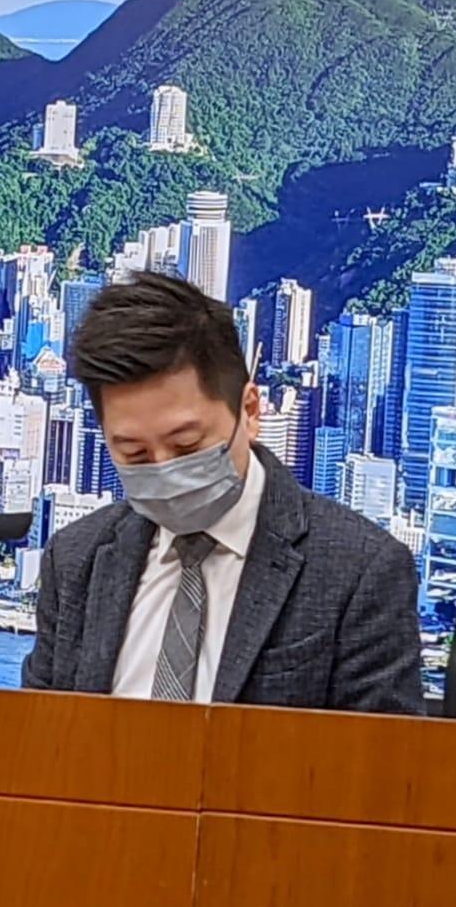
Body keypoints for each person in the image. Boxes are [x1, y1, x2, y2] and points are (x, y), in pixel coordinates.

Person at [21, 271, 423, 713]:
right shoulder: (76, 559)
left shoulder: (359, 570)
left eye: (187, 446)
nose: (165, 472)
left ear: (249, 412)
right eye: (134, 453)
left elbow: (382, 751)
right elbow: (37, 735)